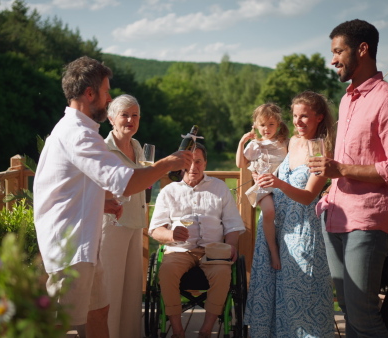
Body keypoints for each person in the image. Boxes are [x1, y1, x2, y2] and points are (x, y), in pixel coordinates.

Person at [33, 56, 192, 338]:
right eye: (106, 92)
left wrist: (100, 201)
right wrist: (167, 164)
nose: (109, 100)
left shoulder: (77, 130)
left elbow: (72, 183)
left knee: (98, 313)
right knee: (60, 325)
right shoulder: (79, 134)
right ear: (90, 93)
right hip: (70, 246)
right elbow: (127, 182)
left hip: (85, 242)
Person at [309, 19, 388, 337]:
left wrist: (340, 170)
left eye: (338, 51)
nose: (333, 59)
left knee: (363, 313)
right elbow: (350, 158)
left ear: (363, 49)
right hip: (336, 216)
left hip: (368, 221)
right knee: (349, 309)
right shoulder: (346, 100)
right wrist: (330, 194)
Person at [244, 91, 336, 337]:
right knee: (271, 296)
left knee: (301, 300)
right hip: (275, 230)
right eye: (295, 116)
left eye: (304, 116)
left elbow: (308, 197)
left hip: (301, 231)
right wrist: (259, 176)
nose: (298, 122)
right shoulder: (292, 141)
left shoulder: (321, 150)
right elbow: (263, 157)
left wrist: (277, 183)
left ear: (318, 117)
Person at [149, 142, 245, 338]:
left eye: (198, 161)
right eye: (188, 162)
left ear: (205, 163)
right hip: (179, 250)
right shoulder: (169, 191)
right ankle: (177, 330)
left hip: (213, 251)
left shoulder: (219, 187)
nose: (193, 167)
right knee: (166, 270)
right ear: (180, 164)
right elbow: (155, 230)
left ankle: (206, 330)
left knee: (223, 273)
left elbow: (232, 224)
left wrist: (232, 246)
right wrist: (171, 235)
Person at [99, 94, 147, 338]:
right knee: (111, 290)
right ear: (111, 119)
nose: (130, 119)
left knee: (131, 293)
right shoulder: (104, 150)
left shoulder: (138, 147)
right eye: (124, 115)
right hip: (113, 223)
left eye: (135, 115)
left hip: (135, 222)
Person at [235, 103, 289, 270]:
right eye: (263, 125)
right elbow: (240, 164)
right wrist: (242, 141)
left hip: (282, 185)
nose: (267, 128)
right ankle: (273, 251)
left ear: (278, 124)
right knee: (269, 211)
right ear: (256, 125)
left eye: (271, 124)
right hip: (264, 186)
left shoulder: (284, 142)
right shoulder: (255, 145)